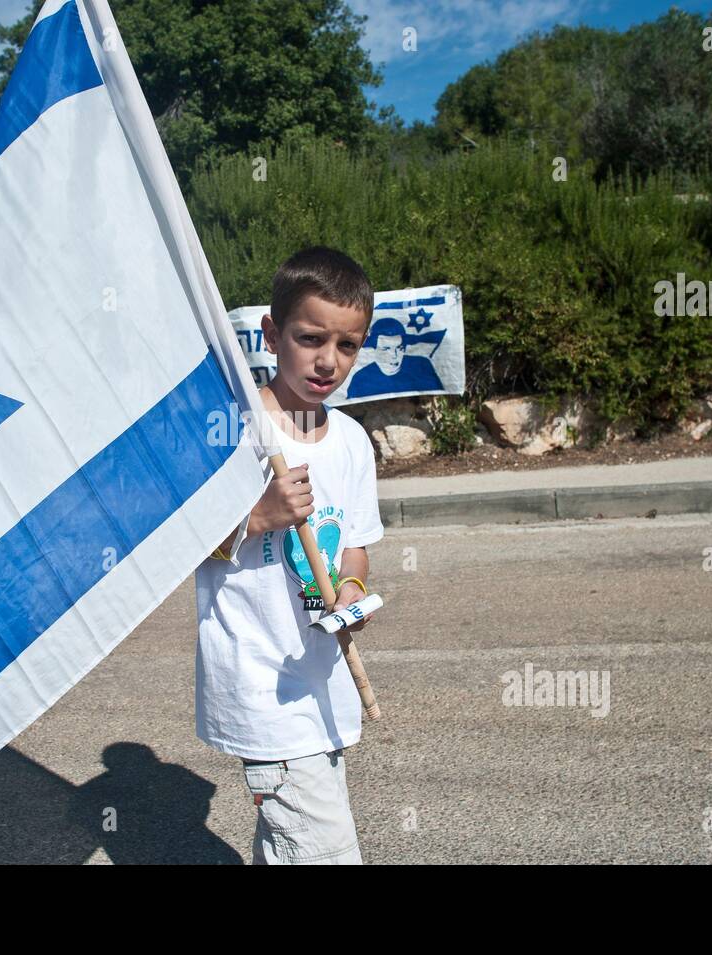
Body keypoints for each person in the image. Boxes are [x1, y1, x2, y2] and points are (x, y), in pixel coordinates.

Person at [195, 246, 384, 864]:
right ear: (273, 335)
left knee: (294, 847)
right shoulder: (234, 430)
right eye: (310, 338)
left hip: (325, 683)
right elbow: (185, 547)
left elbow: (353, 545)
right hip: (263, 687)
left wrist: (353, 592)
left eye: (348, 345)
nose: (329, 360)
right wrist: (256, 518)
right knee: (324, 852)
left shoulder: (353, 442)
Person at [345, 316, 444, 398]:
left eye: (399, 348)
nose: (394, 355)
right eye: (386, 349)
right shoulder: (360, 379)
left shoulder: (422, 366)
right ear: (374, 350)